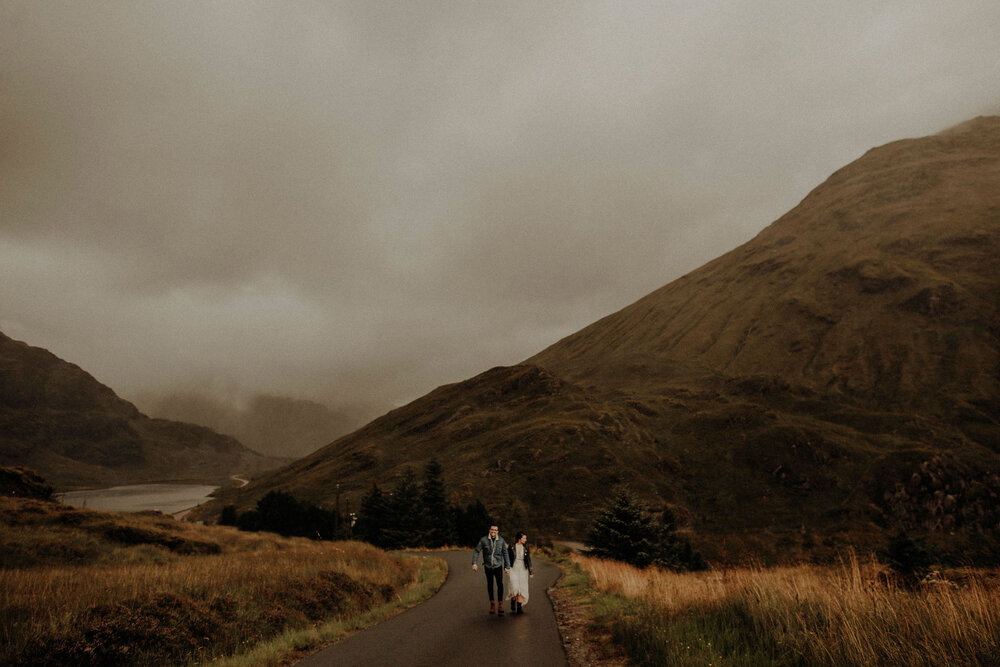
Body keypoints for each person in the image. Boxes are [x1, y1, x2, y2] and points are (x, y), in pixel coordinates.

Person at [472, 524, 511, 615]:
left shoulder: (501, 541)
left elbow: (505, 554)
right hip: (488, 566)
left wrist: (507, 567)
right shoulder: (483, 540)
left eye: (495, 530)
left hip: (498, 566)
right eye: (492, 529)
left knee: (500, 585)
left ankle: (500, 604)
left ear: (497, 531)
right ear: (489, 530)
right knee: (490, 585)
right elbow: (477, 551)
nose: (493, 531)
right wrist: (474, 563)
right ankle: (492, 604)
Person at [506, 531, 534, 614]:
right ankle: (513, 600)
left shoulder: (526, 547)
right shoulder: (511, 546)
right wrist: (506, 568)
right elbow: (507, 558)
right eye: (524, 538)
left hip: (523, 569)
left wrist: (531, 571)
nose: (525, 540)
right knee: (514, 587)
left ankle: (519, 607)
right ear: (519, 538)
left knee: (522, 587)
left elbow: (528, 559)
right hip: (513, 568)